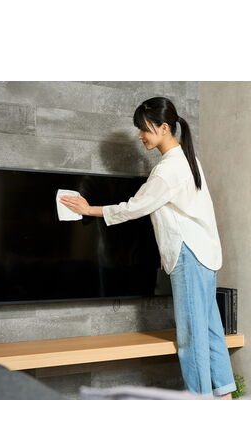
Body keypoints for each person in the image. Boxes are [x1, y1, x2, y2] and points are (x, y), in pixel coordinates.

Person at [59, 97, 236, 399]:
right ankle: (225, 397)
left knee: (191, 339)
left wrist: (90, 210)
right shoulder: (187, 159)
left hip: (188, 254)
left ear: (164, 128)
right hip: (204, 253)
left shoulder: (168, 170)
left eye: (144, 129)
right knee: (209, 331)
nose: (140, 135)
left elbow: (134, 207)